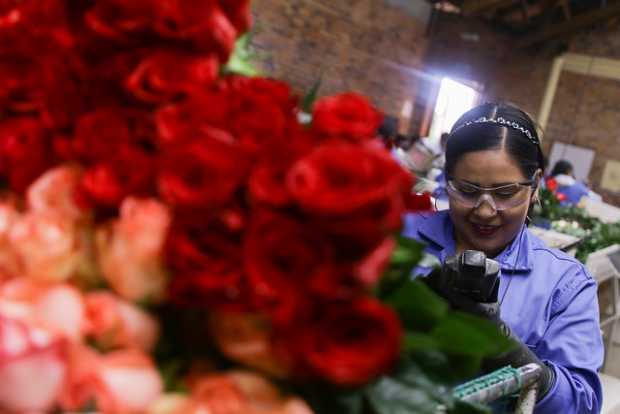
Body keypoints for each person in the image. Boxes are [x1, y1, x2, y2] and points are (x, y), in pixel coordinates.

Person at [402, 103, 603, 413]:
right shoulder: (401, 237)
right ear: (446, 180)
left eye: (505, 193)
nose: (484, 210)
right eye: (467, 190)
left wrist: (505, 348)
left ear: (535, 185)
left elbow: (581, 403)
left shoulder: (565, 284)